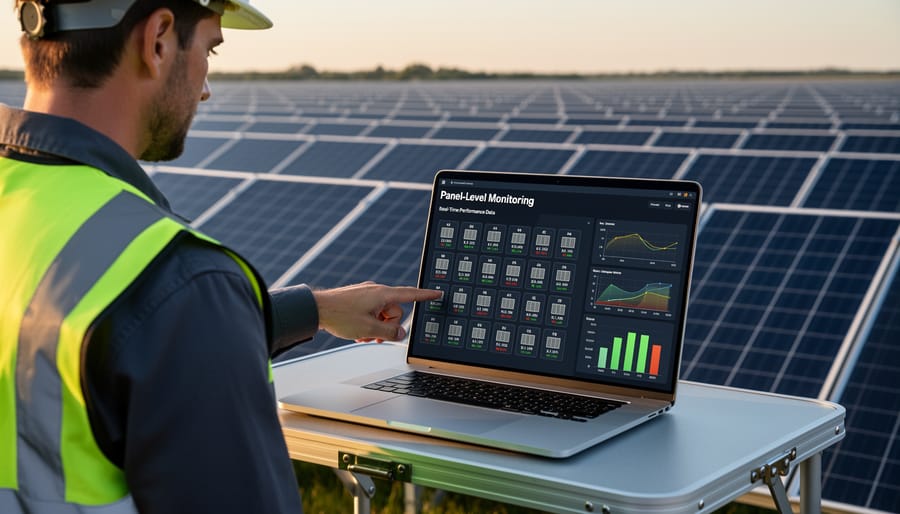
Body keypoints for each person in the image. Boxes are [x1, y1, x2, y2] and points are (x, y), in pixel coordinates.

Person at [0, 1, 440, 512]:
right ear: (159, 39)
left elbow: (71, 331)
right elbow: (157, 321)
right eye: (210, 48)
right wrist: (214, 308)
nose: (206, 88)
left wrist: (312, 310)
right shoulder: (182, 283)